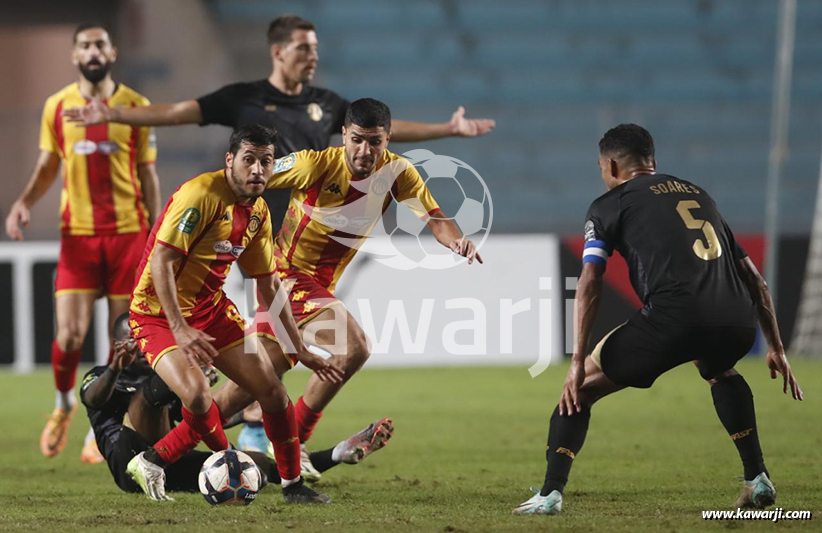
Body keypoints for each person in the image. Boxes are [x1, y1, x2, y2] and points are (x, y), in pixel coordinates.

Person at [513, 124, 804, 516]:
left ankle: (550, 493)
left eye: (601, 167)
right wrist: (776, 346)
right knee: (720, 370)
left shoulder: (609, 204)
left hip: (673, 320)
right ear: (653, 161)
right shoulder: (699, 195)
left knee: (579, 392)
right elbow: (754, 278)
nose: (603, 174)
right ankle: (757, 478)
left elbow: (590, 280)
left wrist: (577, 360)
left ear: (612, 165)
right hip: (737, 320)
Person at [237, 98, 482, 481]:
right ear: (344, 135)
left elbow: (435, 218)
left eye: (375, 142)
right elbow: (248, 178)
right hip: (284, 274)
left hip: (314, 284)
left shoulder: (398, 173)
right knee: (353, 346)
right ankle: (293, 444)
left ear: (388, 139)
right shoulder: (313, 164)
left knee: (249, 384)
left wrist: (457, 240)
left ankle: (163, 446)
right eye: (357, 140)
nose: (364, 151)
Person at [126, 124, 345, 502]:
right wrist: (178, 329)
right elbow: (162, 262)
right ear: (230, 160)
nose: (258, 170)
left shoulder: (258, 211)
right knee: (196, 395)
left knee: (273, 393)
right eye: (249, 160)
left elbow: (269, 283)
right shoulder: (200, 195)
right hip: (158, 314)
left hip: (211, 313)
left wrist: (301, 349)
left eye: (266, 162)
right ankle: (154, 461)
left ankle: (293, 486)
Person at [4, 23, 161, 462]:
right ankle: (63, 404)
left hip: (129, 234)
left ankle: (103, 426)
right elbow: (48, 164)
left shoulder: (135, 106)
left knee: (123, 341)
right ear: (75, 56)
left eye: (100, 44)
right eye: (85, 45)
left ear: (112, 51)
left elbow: (147, 171)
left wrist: (155, 231)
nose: (93, 51)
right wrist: (24, 202)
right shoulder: (57, 106)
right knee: (69, 335)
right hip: (78, 239)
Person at [81, 314, 392, 496]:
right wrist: (115, 369)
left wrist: (244, 413)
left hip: (167, 465)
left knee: (255, 465)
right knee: (150, 397)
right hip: (127, 459)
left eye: (141, 337)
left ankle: (340, 453)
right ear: (116, 343)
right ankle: (151, 456)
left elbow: (195, 419)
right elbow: (93, 398)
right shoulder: (101, 377)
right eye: (132, 339)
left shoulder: (162, 372)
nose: (140, 345)